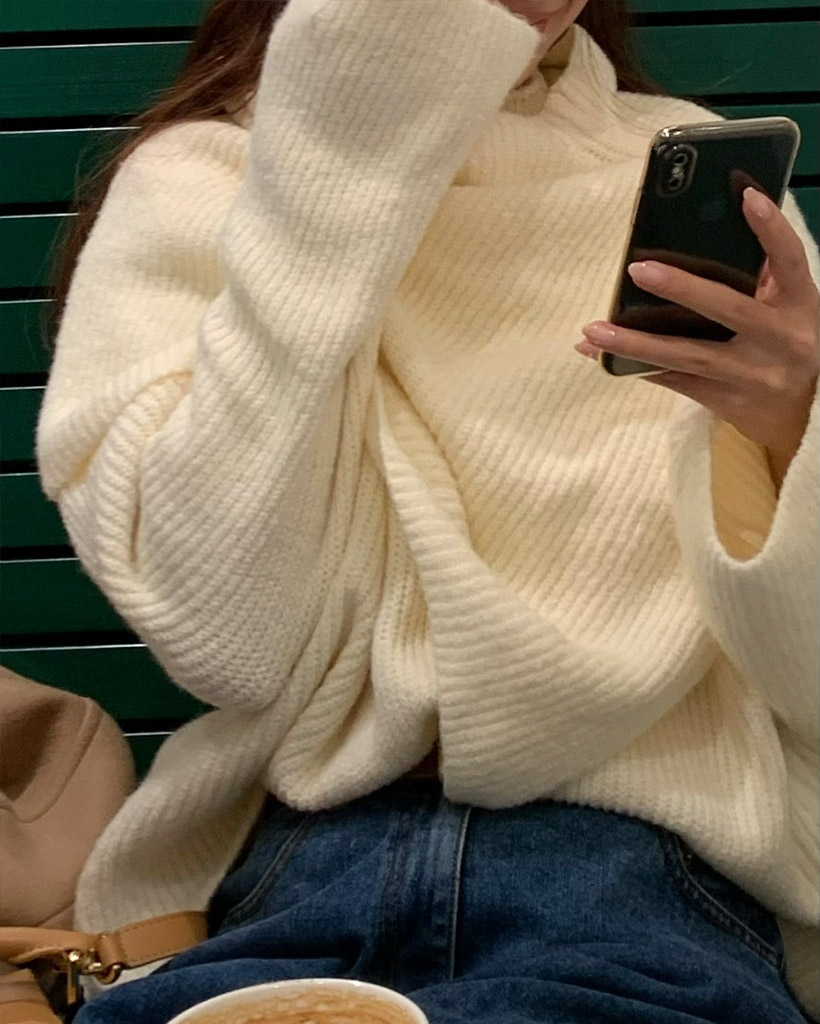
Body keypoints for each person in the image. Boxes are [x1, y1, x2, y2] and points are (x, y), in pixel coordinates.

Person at [36, 0, 819, 1021]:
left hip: (647, 877)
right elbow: (229, 642)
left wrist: (789, 434)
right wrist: (343, 143)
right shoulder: (203, 178)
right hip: (297, 874)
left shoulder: (692, 169)